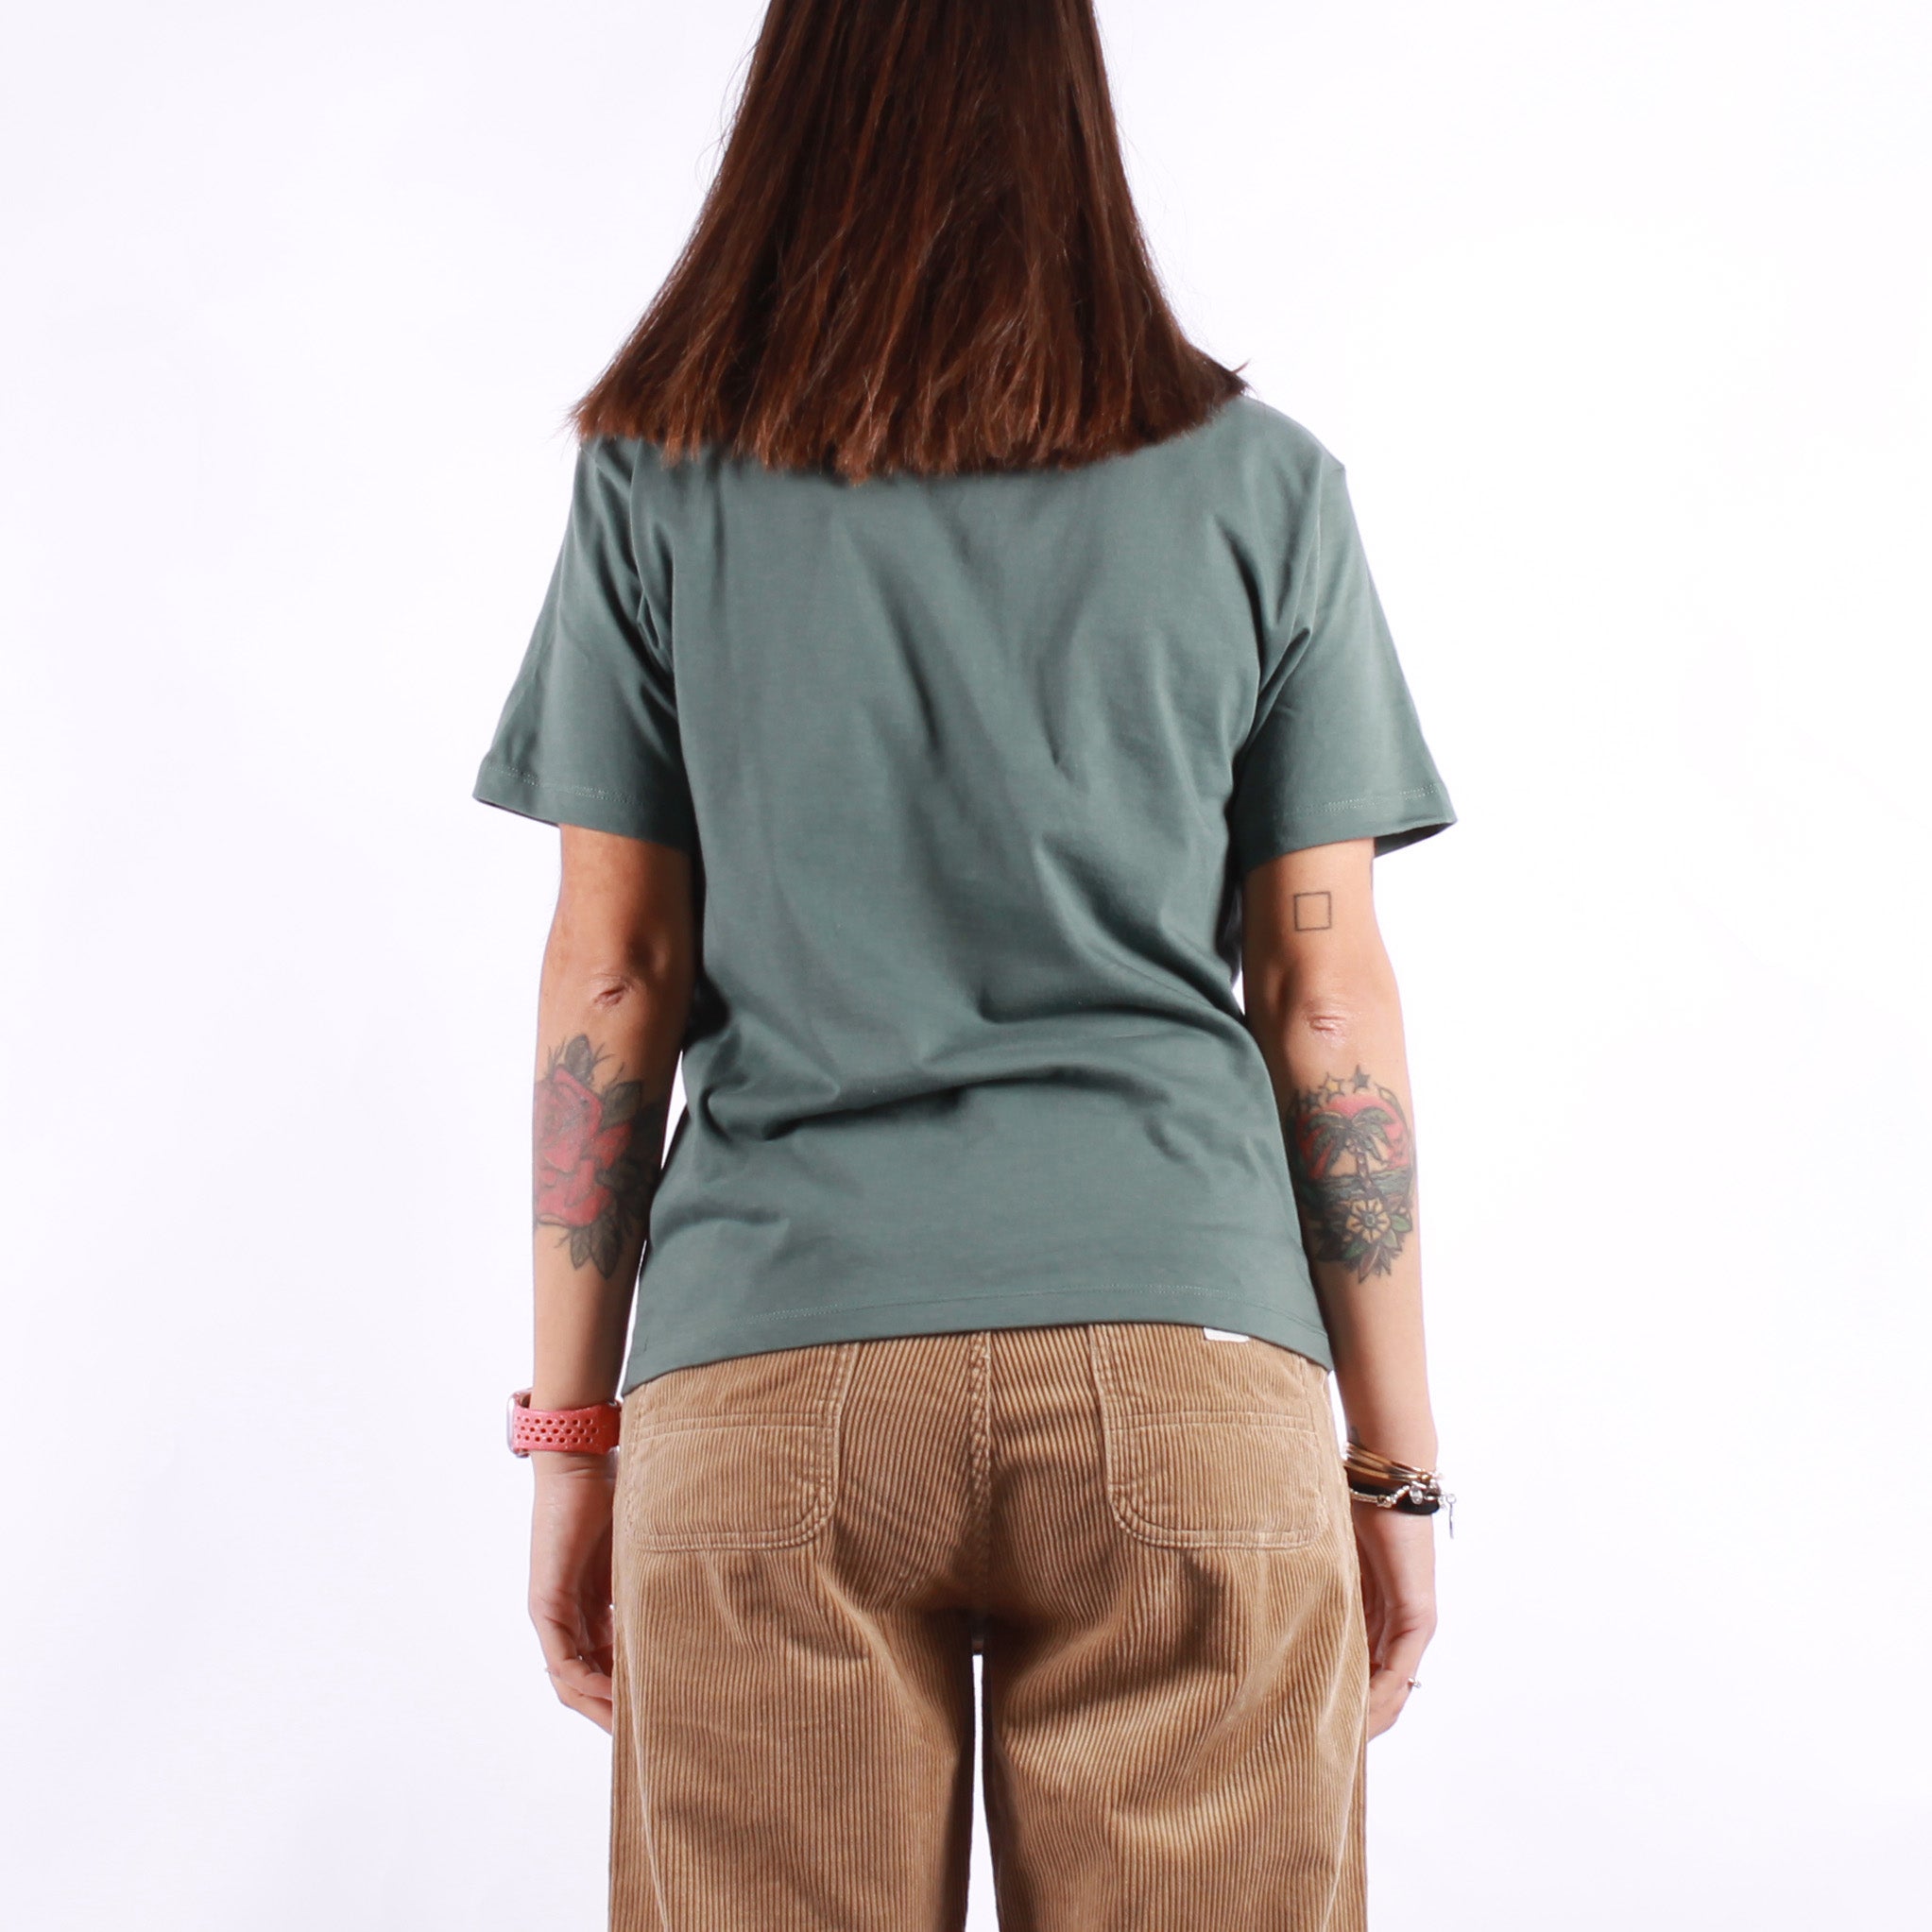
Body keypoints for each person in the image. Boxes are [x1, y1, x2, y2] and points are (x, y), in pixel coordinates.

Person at [472, 2, 1457, 1925]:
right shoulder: (1265, 491)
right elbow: (1326, 1000)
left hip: (770, 1369)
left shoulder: (657, 478)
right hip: (1186, 1360)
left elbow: (612, 977)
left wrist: (574, 1443)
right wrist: (1391, 1470)